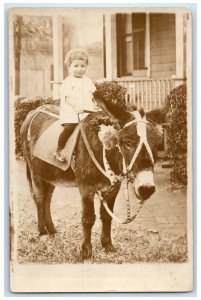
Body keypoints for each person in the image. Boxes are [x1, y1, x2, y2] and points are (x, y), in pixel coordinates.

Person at [55, 48, 97, 162]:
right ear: (69, 66)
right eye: (76, 66)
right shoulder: (68, 82)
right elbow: (67, 98)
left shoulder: (88, 81)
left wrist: (96, 104)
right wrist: (76, 107)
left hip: (87, 112)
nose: (79, 69)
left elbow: (94, 94)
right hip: (72, 113)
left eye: (82, 66)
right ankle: (59, 150)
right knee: (69, 128)